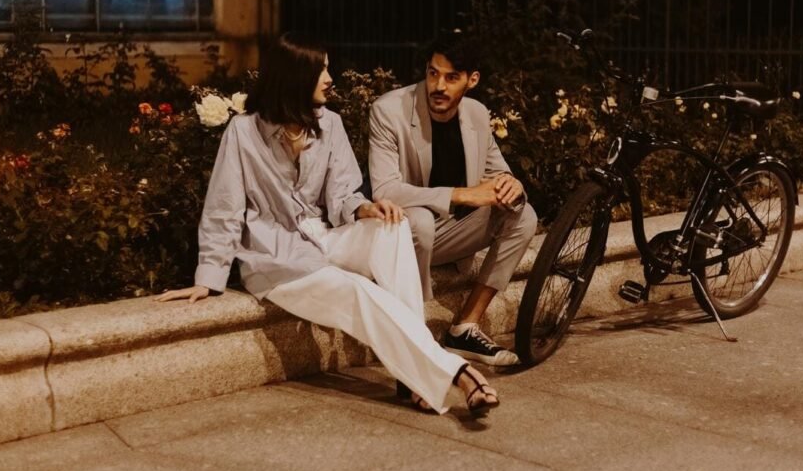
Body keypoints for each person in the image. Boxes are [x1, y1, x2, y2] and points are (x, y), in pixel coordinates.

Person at [156, 34, 499, 414]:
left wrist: (366, 208)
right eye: (321, 70)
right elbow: (224, 208)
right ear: (294, 76)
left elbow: (343, 194)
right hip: (277, 259)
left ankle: (413, 374)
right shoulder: (243, 132)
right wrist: (208, 276)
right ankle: (456, 372)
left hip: (321, 236)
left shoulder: (329, 124)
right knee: (359, 290)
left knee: (393, 226)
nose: (329, 78)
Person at [368, 38, 538, 367]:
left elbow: (499, 173)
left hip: (448, 236)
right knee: (420, 221)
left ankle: (464, 328)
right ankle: (412, 336)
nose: (439, 86)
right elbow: (385, 190)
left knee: (523, 215)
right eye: (433, 73)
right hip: (403, 237)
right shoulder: (389, 111)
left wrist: (512, 184)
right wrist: (459, 194)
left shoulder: (477, 114)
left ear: (471, 80)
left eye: (451, 77)